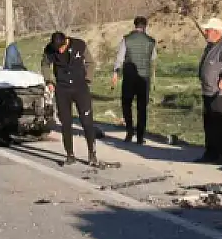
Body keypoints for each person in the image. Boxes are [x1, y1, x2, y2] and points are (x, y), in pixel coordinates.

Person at [42, 31, 100, 166]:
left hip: (80, 87)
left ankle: (92, 154)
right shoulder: (49, 49)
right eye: (58, 50)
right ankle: (70, 154)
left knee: (87, 122)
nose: (60, 51)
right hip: (62, 89)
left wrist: (88, 79)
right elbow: (45, 65)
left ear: (66, 42)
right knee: (66, 123)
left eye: (62, 48)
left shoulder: (79, 45)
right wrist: (49, 81)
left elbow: (90, 62)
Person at [195, 17, 222, 167]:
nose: (205, 32)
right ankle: (211, 153)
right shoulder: (210, 45)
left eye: (208, 30)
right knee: (210, 124)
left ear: (216, 31)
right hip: (208, 91)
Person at [111, 16, 157, 144]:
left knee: (127, 104)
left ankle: (129, 132)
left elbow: (120, 58)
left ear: (134, 25)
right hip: (144, 77)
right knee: (142, 107)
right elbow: (153, 57)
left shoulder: (127, 39)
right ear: (145, 26)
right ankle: (141, 137)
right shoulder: (151, 41)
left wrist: (115, 73)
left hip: (129, 77)